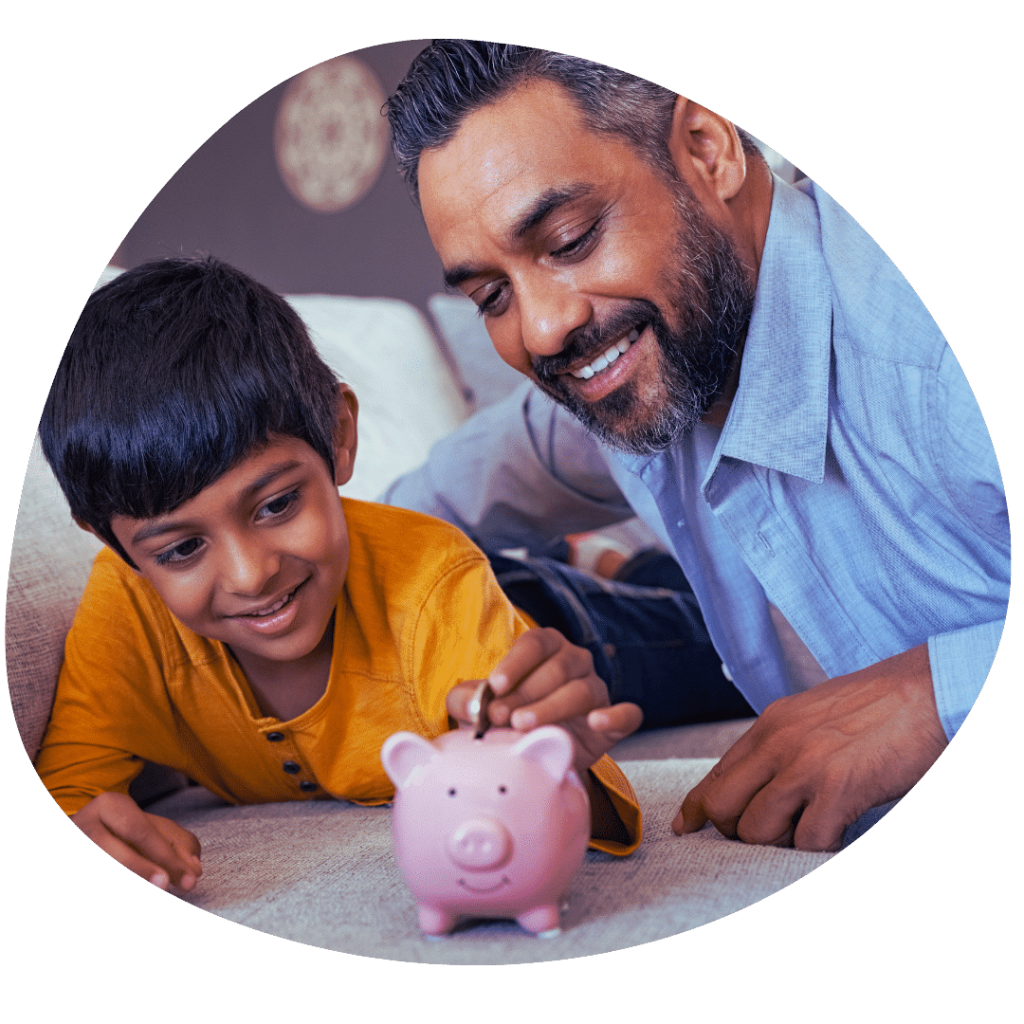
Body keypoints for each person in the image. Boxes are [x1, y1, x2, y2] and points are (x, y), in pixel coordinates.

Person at [381, 40, 1010, 851]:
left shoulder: (920, 346)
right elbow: (389, 524)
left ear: (708, 150)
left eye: (570, 239)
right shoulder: (609, 383)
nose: (542, 328)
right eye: (492, 295)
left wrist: (934, 694)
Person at [34, 254, 644, 892]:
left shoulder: (436, 582)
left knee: (683, 625)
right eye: (182, 549)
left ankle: (607, 563)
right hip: (473, 590)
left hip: (566, 624)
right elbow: (71, 787)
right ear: (114, 542)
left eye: (276, 505)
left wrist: (556, 755)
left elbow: (576, 785)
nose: (250, 575)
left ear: (340, 432)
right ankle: (579, 557)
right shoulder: (126, 608)